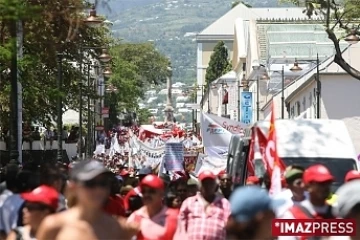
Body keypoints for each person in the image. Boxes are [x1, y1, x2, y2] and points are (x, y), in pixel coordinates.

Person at [36, 160, 137, 240]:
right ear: (73, 187)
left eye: (103, 183)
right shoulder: (53, 226)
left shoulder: (120, 228)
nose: (98, 190)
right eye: (90, 183)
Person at [279, 164, 335, 240]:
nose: (325, 188)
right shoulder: (292, 216)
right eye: (321, 184)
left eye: (328, 183)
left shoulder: (336, 214)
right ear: (308, 187)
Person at [174, 170, 231, 240]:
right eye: (204, 183)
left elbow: (230, 229)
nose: (207, 186)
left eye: (210, 183)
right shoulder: (188, 203)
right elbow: (181, 228)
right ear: (199, 186)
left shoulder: (224, 204)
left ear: (215, 185)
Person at [128, 175, 178, 240]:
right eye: (144, 191)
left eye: (151, 191)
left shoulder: (174, 217)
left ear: (161, 193)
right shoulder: (135, 217)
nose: (146, 194)